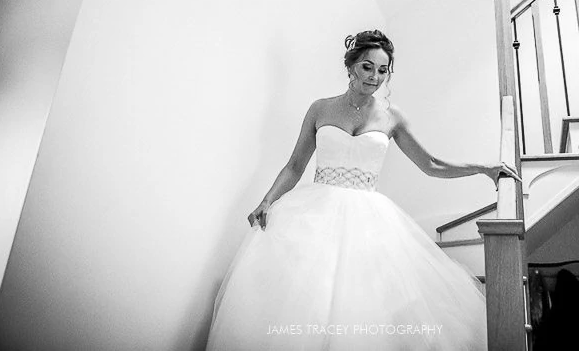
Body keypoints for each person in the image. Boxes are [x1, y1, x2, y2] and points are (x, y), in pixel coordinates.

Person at [205, 29, 519, 350]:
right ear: (352, 65)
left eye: (383, 70)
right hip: (314, 213)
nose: (375, 76)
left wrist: (483, 168)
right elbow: (295, 166)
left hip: (369, 220)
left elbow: (431, 164)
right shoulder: (320, 109)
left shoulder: (392, 117)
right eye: (368, 66)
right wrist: (267, 201)